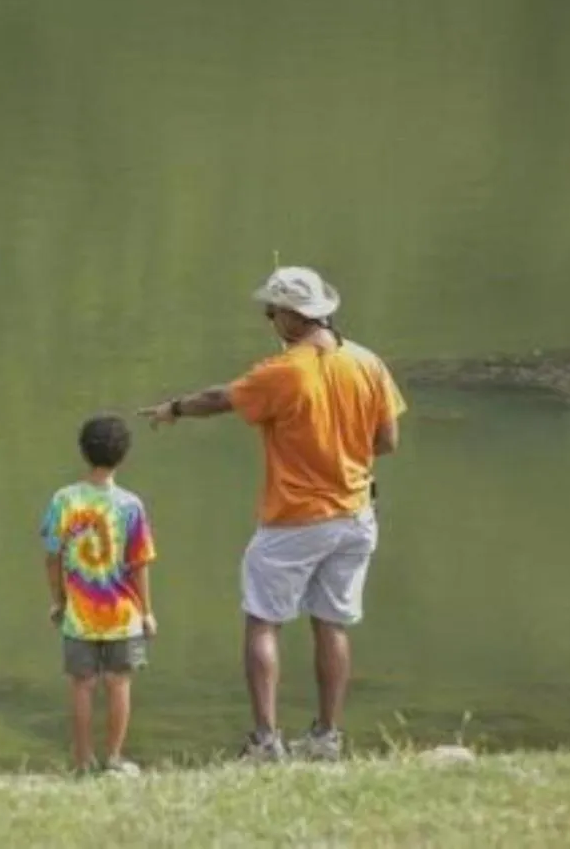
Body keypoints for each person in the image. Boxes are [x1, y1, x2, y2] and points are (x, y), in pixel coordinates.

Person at [136, 266, 406, 762]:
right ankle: (327, 737)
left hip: (296, 520)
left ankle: (265, 741)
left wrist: (173, 408)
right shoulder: (368, 363)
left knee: (263, 622)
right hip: (356, 514)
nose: (269, 319)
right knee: (332, 624)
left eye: (272, 311)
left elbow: (222, 399)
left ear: (293, 316)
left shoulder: (284, 371)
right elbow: (388, 441)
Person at [39, 413, 159, 776]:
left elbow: (51, 557)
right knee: (121, 683)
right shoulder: (131, 505)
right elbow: (140, 563)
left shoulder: (64, 499)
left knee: (81, 685)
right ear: (124, 455)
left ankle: (81, 760)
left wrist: (59, 601)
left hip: (79, 615)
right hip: (126, 616)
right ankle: (115, 758)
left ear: (83, 451)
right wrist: (148, 612)